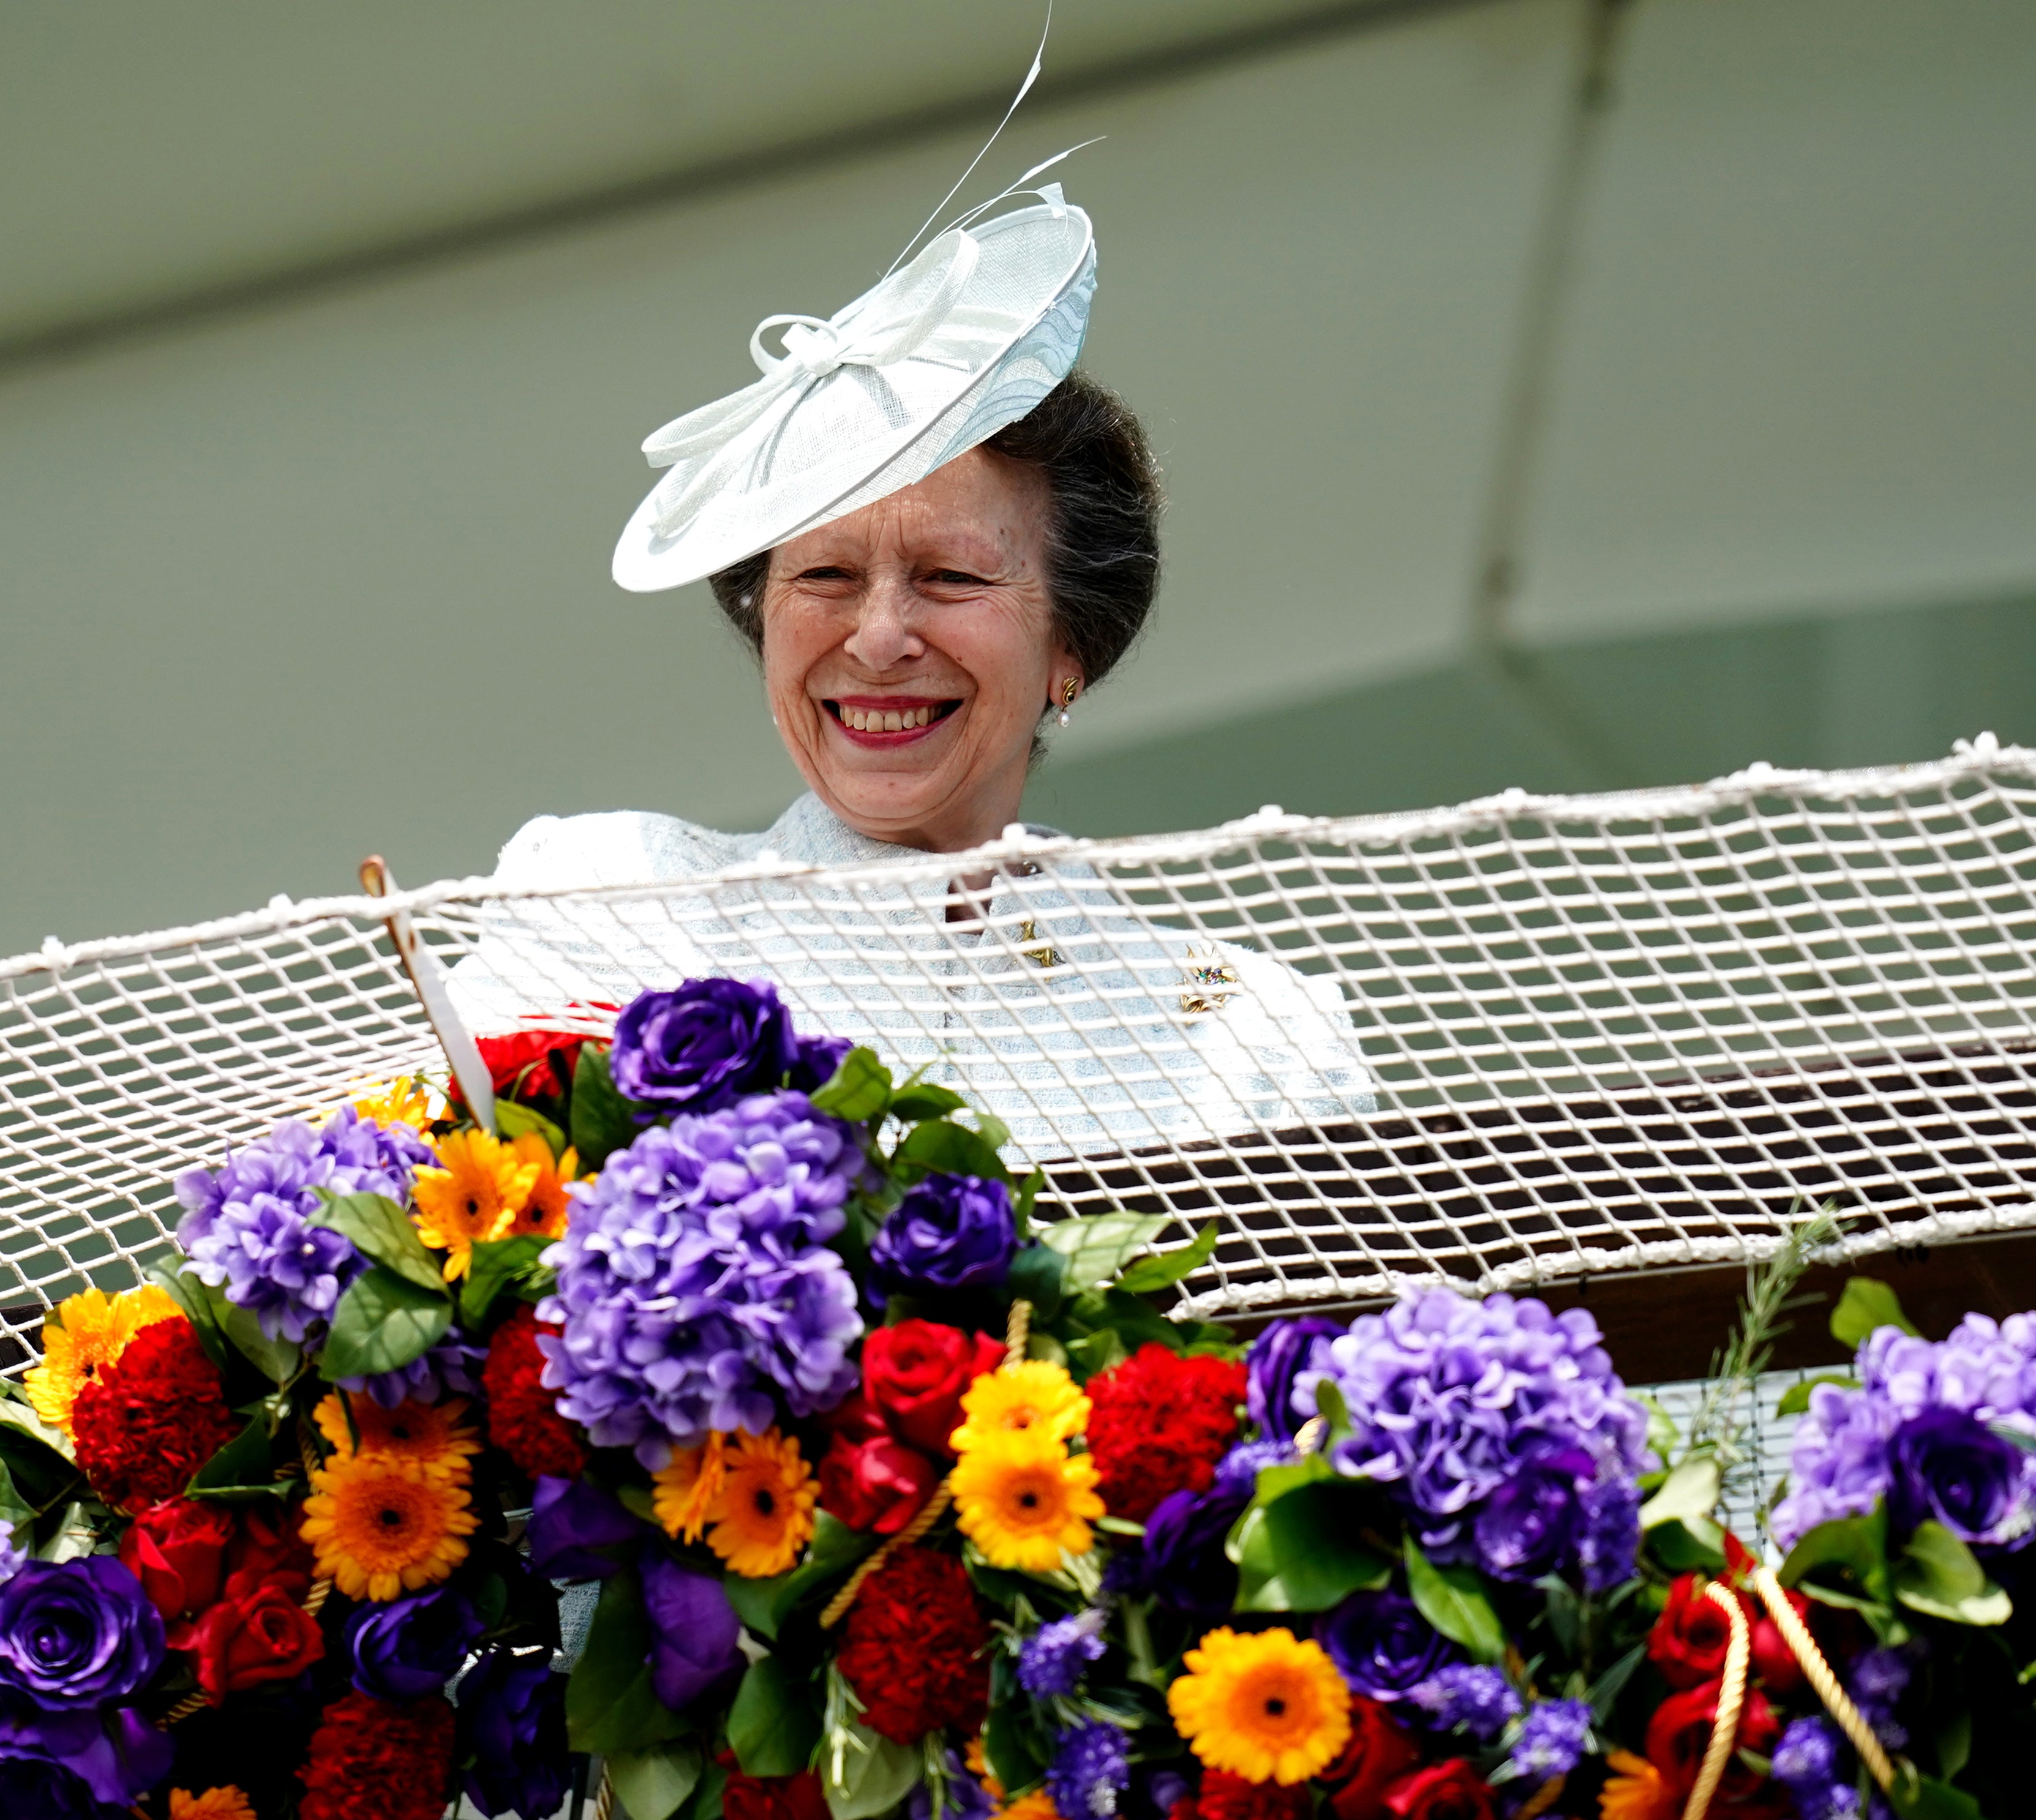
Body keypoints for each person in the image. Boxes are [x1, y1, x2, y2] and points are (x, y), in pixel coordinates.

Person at [449, 183, 1372, 1155]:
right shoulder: (610, 903)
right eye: (827, 577)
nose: (880, 638)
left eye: (952, 576)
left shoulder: (1247, 1038)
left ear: (1073, 646)